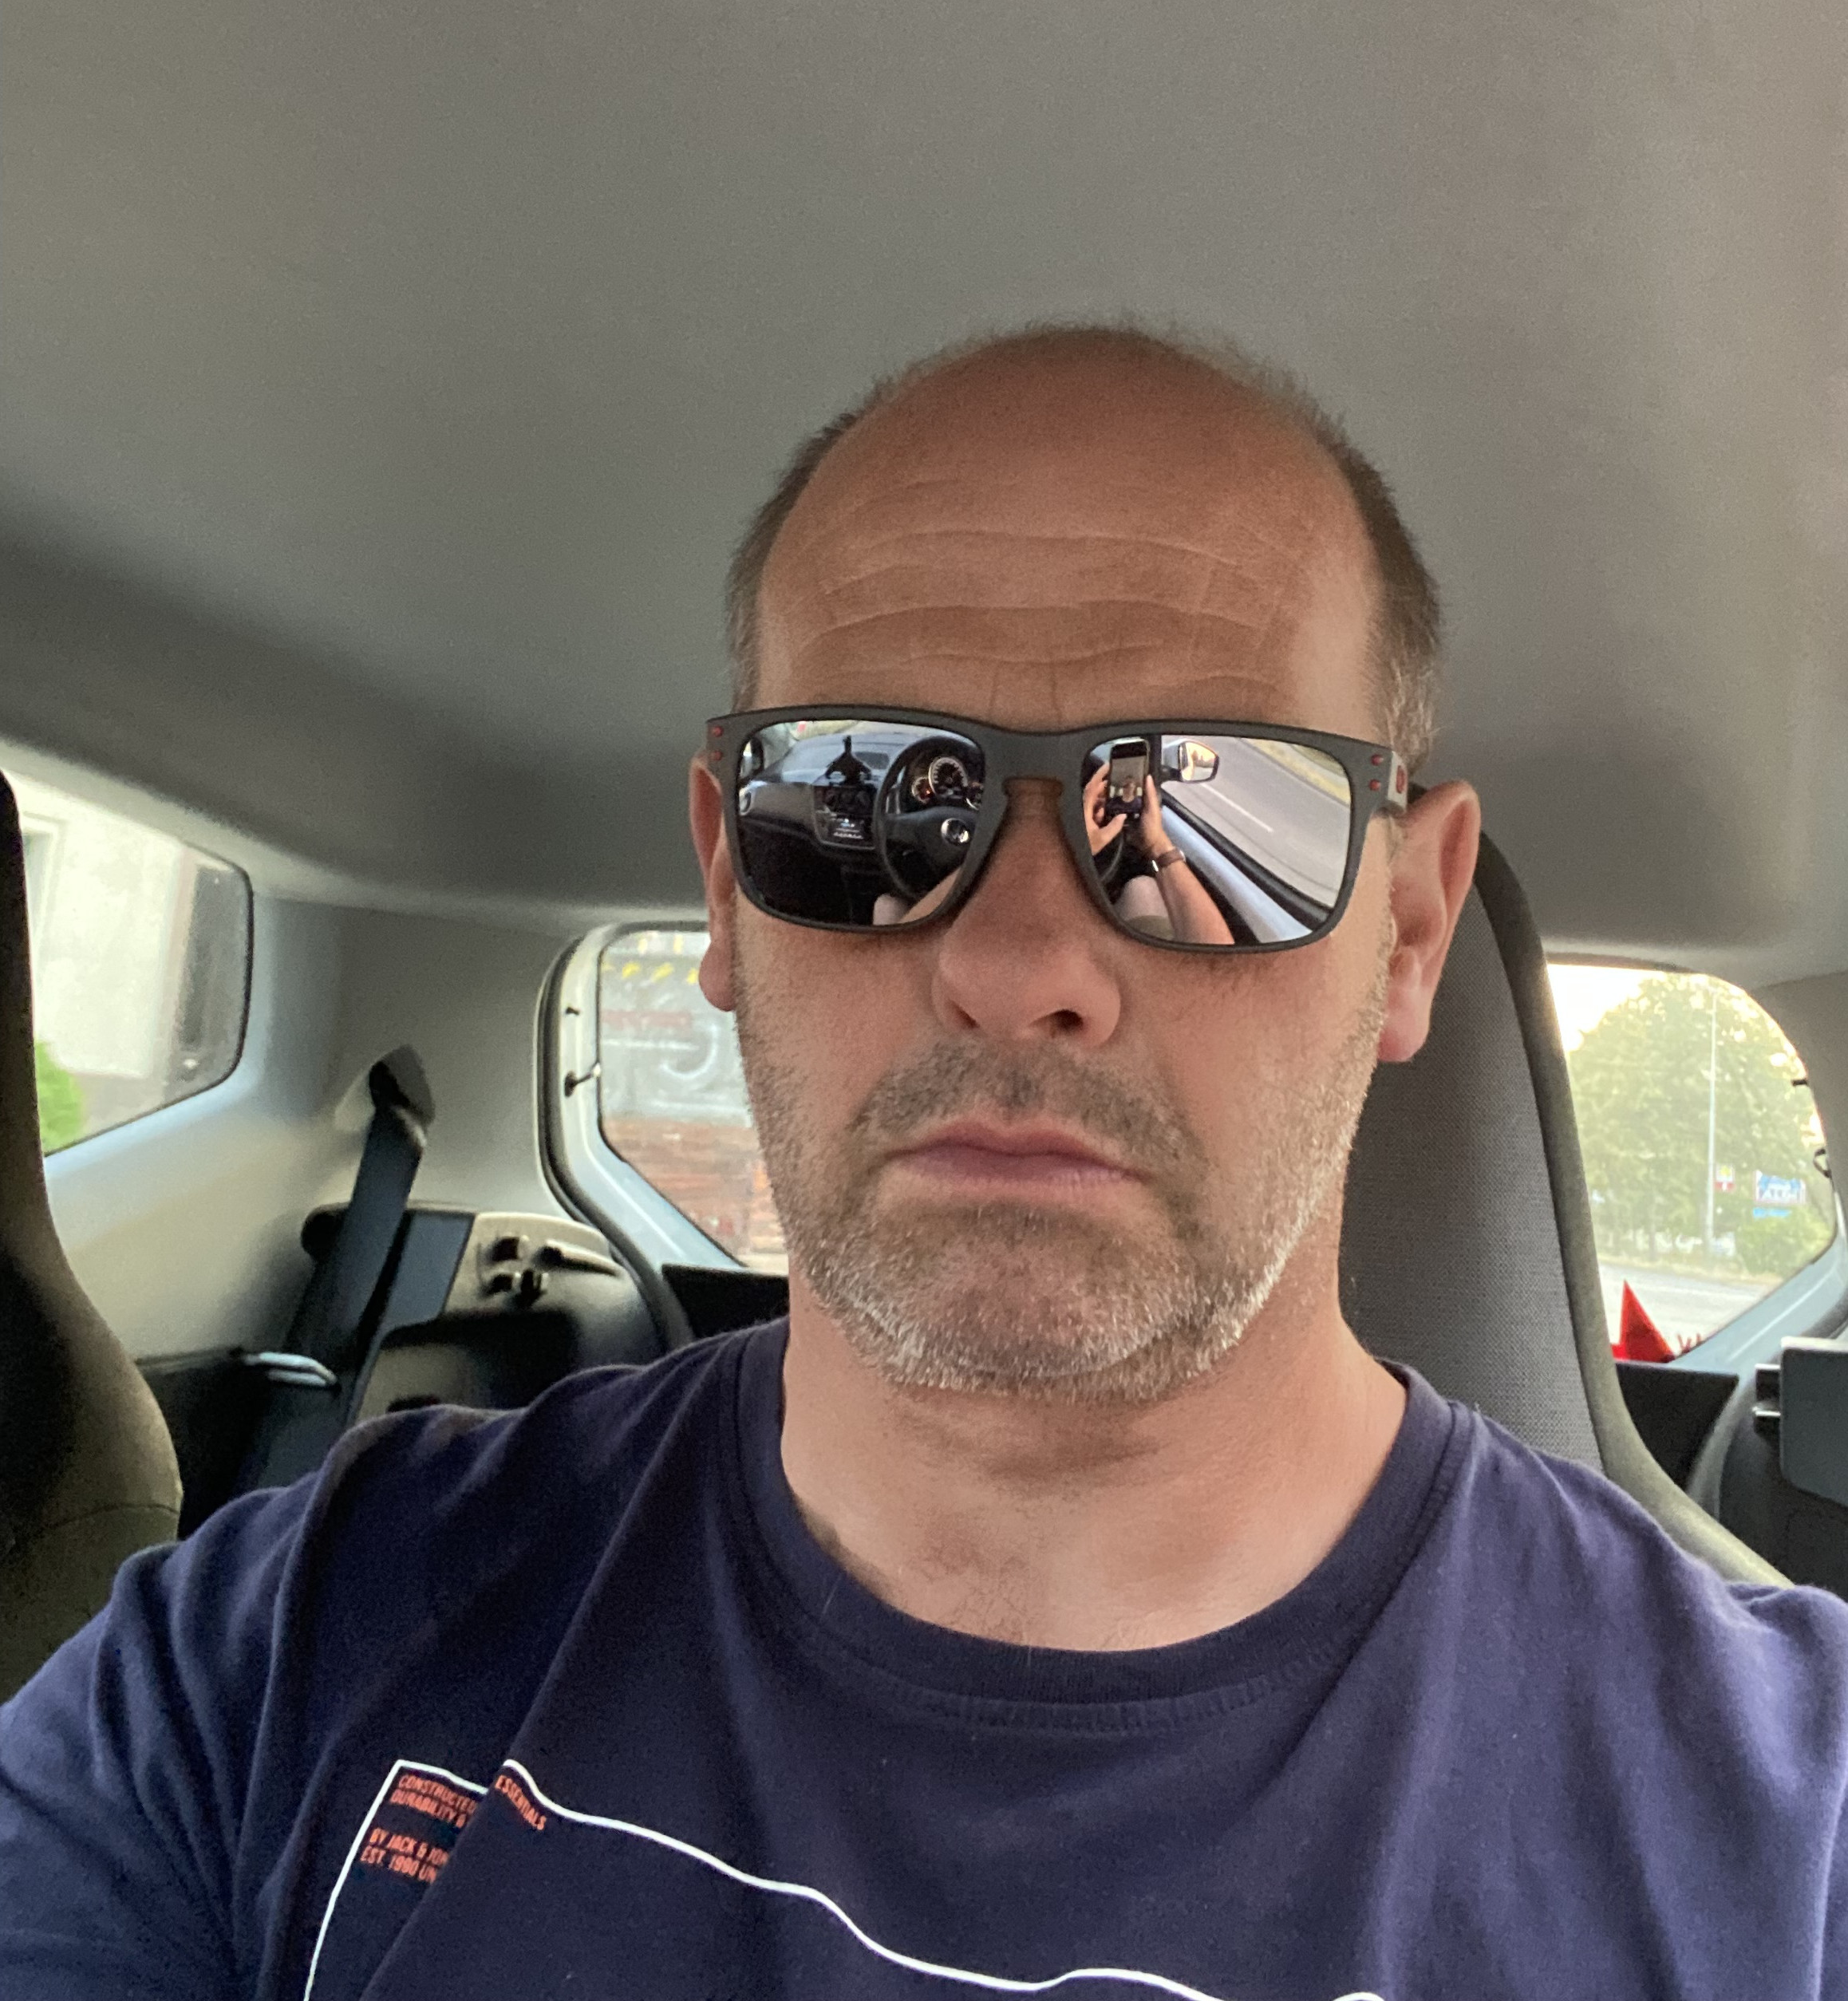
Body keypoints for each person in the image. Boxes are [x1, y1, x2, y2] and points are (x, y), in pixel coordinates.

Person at [2, 323, 1846, 2001]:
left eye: (1208, 802)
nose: (1019, 961)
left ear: (1413, 927)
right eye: (866, 802)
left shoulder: (1786, 1834)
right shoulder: (288, 1647)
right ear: (730, 887)